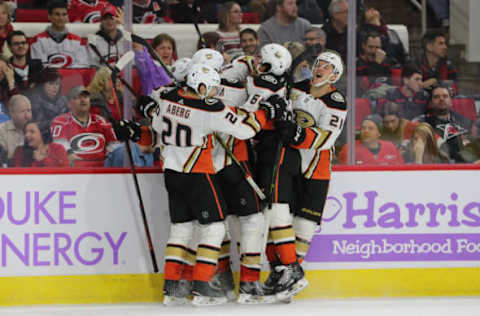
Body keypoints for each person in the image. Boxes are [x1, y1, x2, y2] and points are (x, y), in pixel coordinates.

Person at [143, 63, 277, 306]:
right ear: (201, 86)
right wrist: (265, 112)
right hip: (198, 174)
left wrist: (147, 107)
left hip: (172, 173)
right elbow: (245, 131)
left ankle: (172, 287)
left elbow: (154, 122)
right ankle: (203, 286)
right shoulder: (209, 108)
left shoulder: (167, 97)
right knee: (214, 228)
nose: (216, 93)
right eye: (213, 88)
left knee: (181, 229)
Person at [50, 85, 119, 167]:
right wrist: (71, 156)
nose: (83, 100)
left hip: (104, 169)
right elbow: (60, 145)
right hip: (75, 170)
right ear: (69, 104)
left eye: (85, 97)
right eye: (77, 97)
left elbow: (114, 147)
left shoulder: (102, 121)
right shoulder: (60, 121)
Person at [414, 85, 472, 163]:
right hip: (431, 167)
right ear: (430, 103)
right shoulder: (421, 122)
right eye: (436, 97)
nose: (441, 99)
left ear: (451, 101)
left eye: (445, 96)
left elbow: (470, 151)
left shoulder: (464, 122)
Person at [30, 0, 89, 68]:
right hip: (48, 78)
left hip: (72, 77)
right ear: (49, 16)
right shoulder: (37, 40)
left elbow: (83, 65)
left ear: (67, 16)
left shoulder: (78, 41)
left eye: (64, 14)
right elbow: (39, 68)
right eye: (57, 14)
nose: (61, 18)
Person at [338, 114, 404, 165]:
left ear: (379, 132)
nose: (366, 131)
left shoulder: (390, 147)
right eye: (363, 128)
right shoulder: (349, 148)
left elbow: (400, 170)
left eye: (370, 128)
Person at [356, 32, 394, 96]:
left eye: (377, 47)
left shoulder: (387, 63)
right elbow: (364, 85)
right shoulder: (357, 64)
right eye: (370, 47)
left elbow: (391, 84)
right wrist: (377, 63)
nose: (374, 50)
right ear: (363, 46)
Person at [0, 94, 32, 160]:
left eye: (29, 110)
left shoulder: (38, 129)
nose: (27, 116)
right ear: (12, 113)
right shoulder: (1, 131)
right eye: (22, 111)